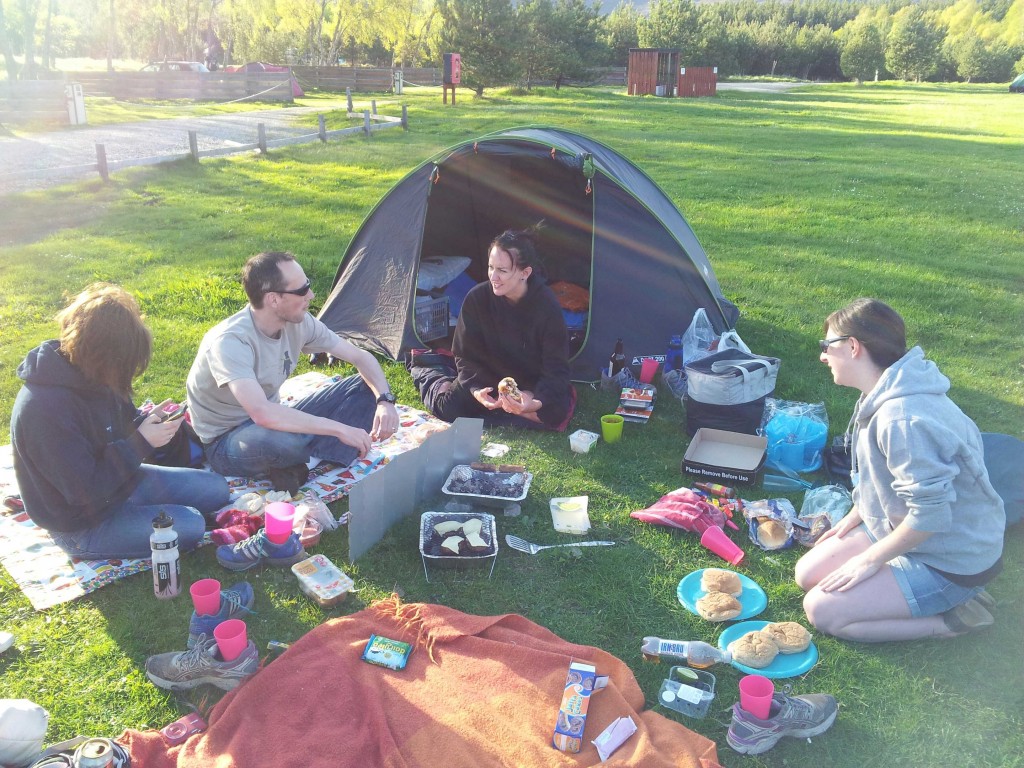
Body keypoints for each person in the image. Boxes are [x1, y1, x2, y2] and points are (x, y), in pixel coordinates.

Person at [795, 298, 1005, 641]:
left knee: (822, 610)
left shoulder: (903, 419)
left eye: (826, 345)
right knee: (807, 573)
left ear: (852, 346)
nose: (822, 355)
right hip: (904, 529)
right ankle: (903, 583)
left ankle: (953, 620)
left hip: (949, 560)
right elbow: (884, 478)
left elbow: (931, 516)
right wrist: (857, 514)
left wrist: (870, 560)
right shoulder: (887, 388)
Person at [10, 284, 229, 560]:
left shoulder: (97, 375)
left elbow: (121, 424)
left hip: (123, 483)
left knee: (217, 489)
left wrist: (148, 422)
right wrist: (141, 442)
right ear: (105, 356)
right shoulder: (44, 410)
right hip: (82, 522)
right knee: (192, 525)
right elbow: (83, 491)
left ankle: (142, 513)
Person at [186, 251, 400, 493]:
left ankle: (300, 462)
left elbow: (360, 357)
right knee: (283, 443)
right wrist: (340, 428)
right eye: (302, 290)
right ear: (273, 299)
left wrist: (385, 400)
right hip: (226, 441)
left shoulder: (299, 321)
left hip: (275, 419)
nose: (311, 294)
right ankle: (302, 457)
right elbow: (262, 414)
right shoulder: (230, 341)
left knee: (365, 387)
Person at [410, 229, 575, 430]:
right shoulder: (477, 298)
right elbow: (464, 355)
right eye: (491, 267)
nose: (493, 276)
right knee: (449, 409)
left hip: (530, 380)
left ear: (525, 273)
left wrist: (533, 401)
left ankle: (515, 408)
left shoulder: (546, 306)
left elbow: (556, 368)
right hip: (486, 377)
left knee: (553, 411)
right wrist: (476, 390)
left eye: (502, 270)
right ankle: (434, 375)